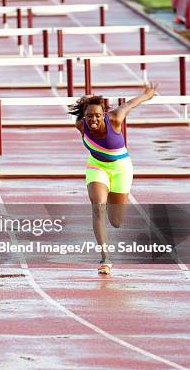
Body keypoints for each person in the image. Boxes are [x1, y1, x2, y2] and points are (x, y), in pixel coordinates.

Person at [68, 82, 157, 275]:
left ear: (104, 115)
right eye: (90, 115)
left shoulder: (115, 118)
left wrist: (147, 94)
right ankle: (105, 258)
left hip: (121, 168)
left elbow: (130, 104)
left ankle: (111, 193)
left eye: (98, 116)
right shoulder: (80, 125)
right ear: (84, 115)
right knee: (97, 207)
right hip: (97, 166)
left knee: (116, 221)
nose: (93, 119)